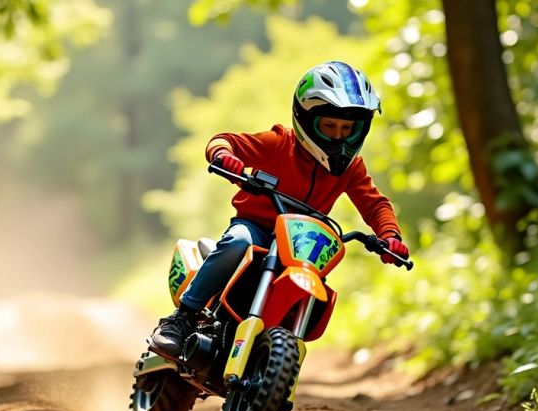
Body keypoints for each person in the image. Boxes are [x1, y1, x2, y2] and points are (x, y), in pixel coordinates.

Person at [148, 60, 409, 362]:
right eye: (329, 126)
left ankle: (268, 345)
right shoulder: (278, 143)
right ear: (306, 119)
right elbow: (226, 141)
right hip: (256, 226)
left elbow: (375, 203)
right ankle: (181, 319)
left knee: (317, 280)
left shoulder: (351, 168)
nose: (338, 136)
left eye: (347, 128)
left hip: (303, 242)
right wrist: (224, 156)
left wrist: (389, 236)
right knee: (238, 243)